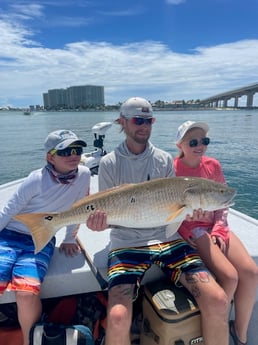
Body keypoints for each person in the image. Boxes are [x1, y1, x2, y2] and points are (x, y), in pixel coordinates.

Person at [87, 97, 230, 345]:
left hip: (168, 239)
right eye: (138, 120)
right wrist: (99, 223)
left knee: (218, 299)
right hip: (127, 243)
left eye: (149, 120)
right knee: (118, 316)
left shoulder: (163, 159)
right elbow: (110, 214)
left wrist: (189, 212)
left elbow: (172, 211)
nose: (144, 126)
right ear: (122, 122)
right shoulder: (109, 163)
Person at [0, 129, 91, 345]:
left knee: (26, 292)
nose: (73, 155)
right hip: (10, 235)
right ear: (50, 157)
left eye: (77, 150)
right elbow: (9, 211)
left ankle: (27, 341)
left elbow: (77, 208)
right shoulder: (36, 180)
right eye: (65, 151)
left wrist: (70, 238)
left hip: (42, 237)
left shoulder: (85, 175)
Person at [174, 120, 258, 345]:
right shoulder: (171, 170)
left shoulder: (213, 165)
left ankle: (239, 334)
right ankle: (216, 325)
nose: (200, 145)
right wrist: (183, 228)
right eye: (193, 141)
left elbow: (223, 203)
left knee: (251, 272)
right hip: (194, 230)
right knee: (230, 277)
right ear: (179, 145)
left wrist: (220, 230)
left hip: (215, 226)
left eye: (204, 141)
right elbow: (170, 209)